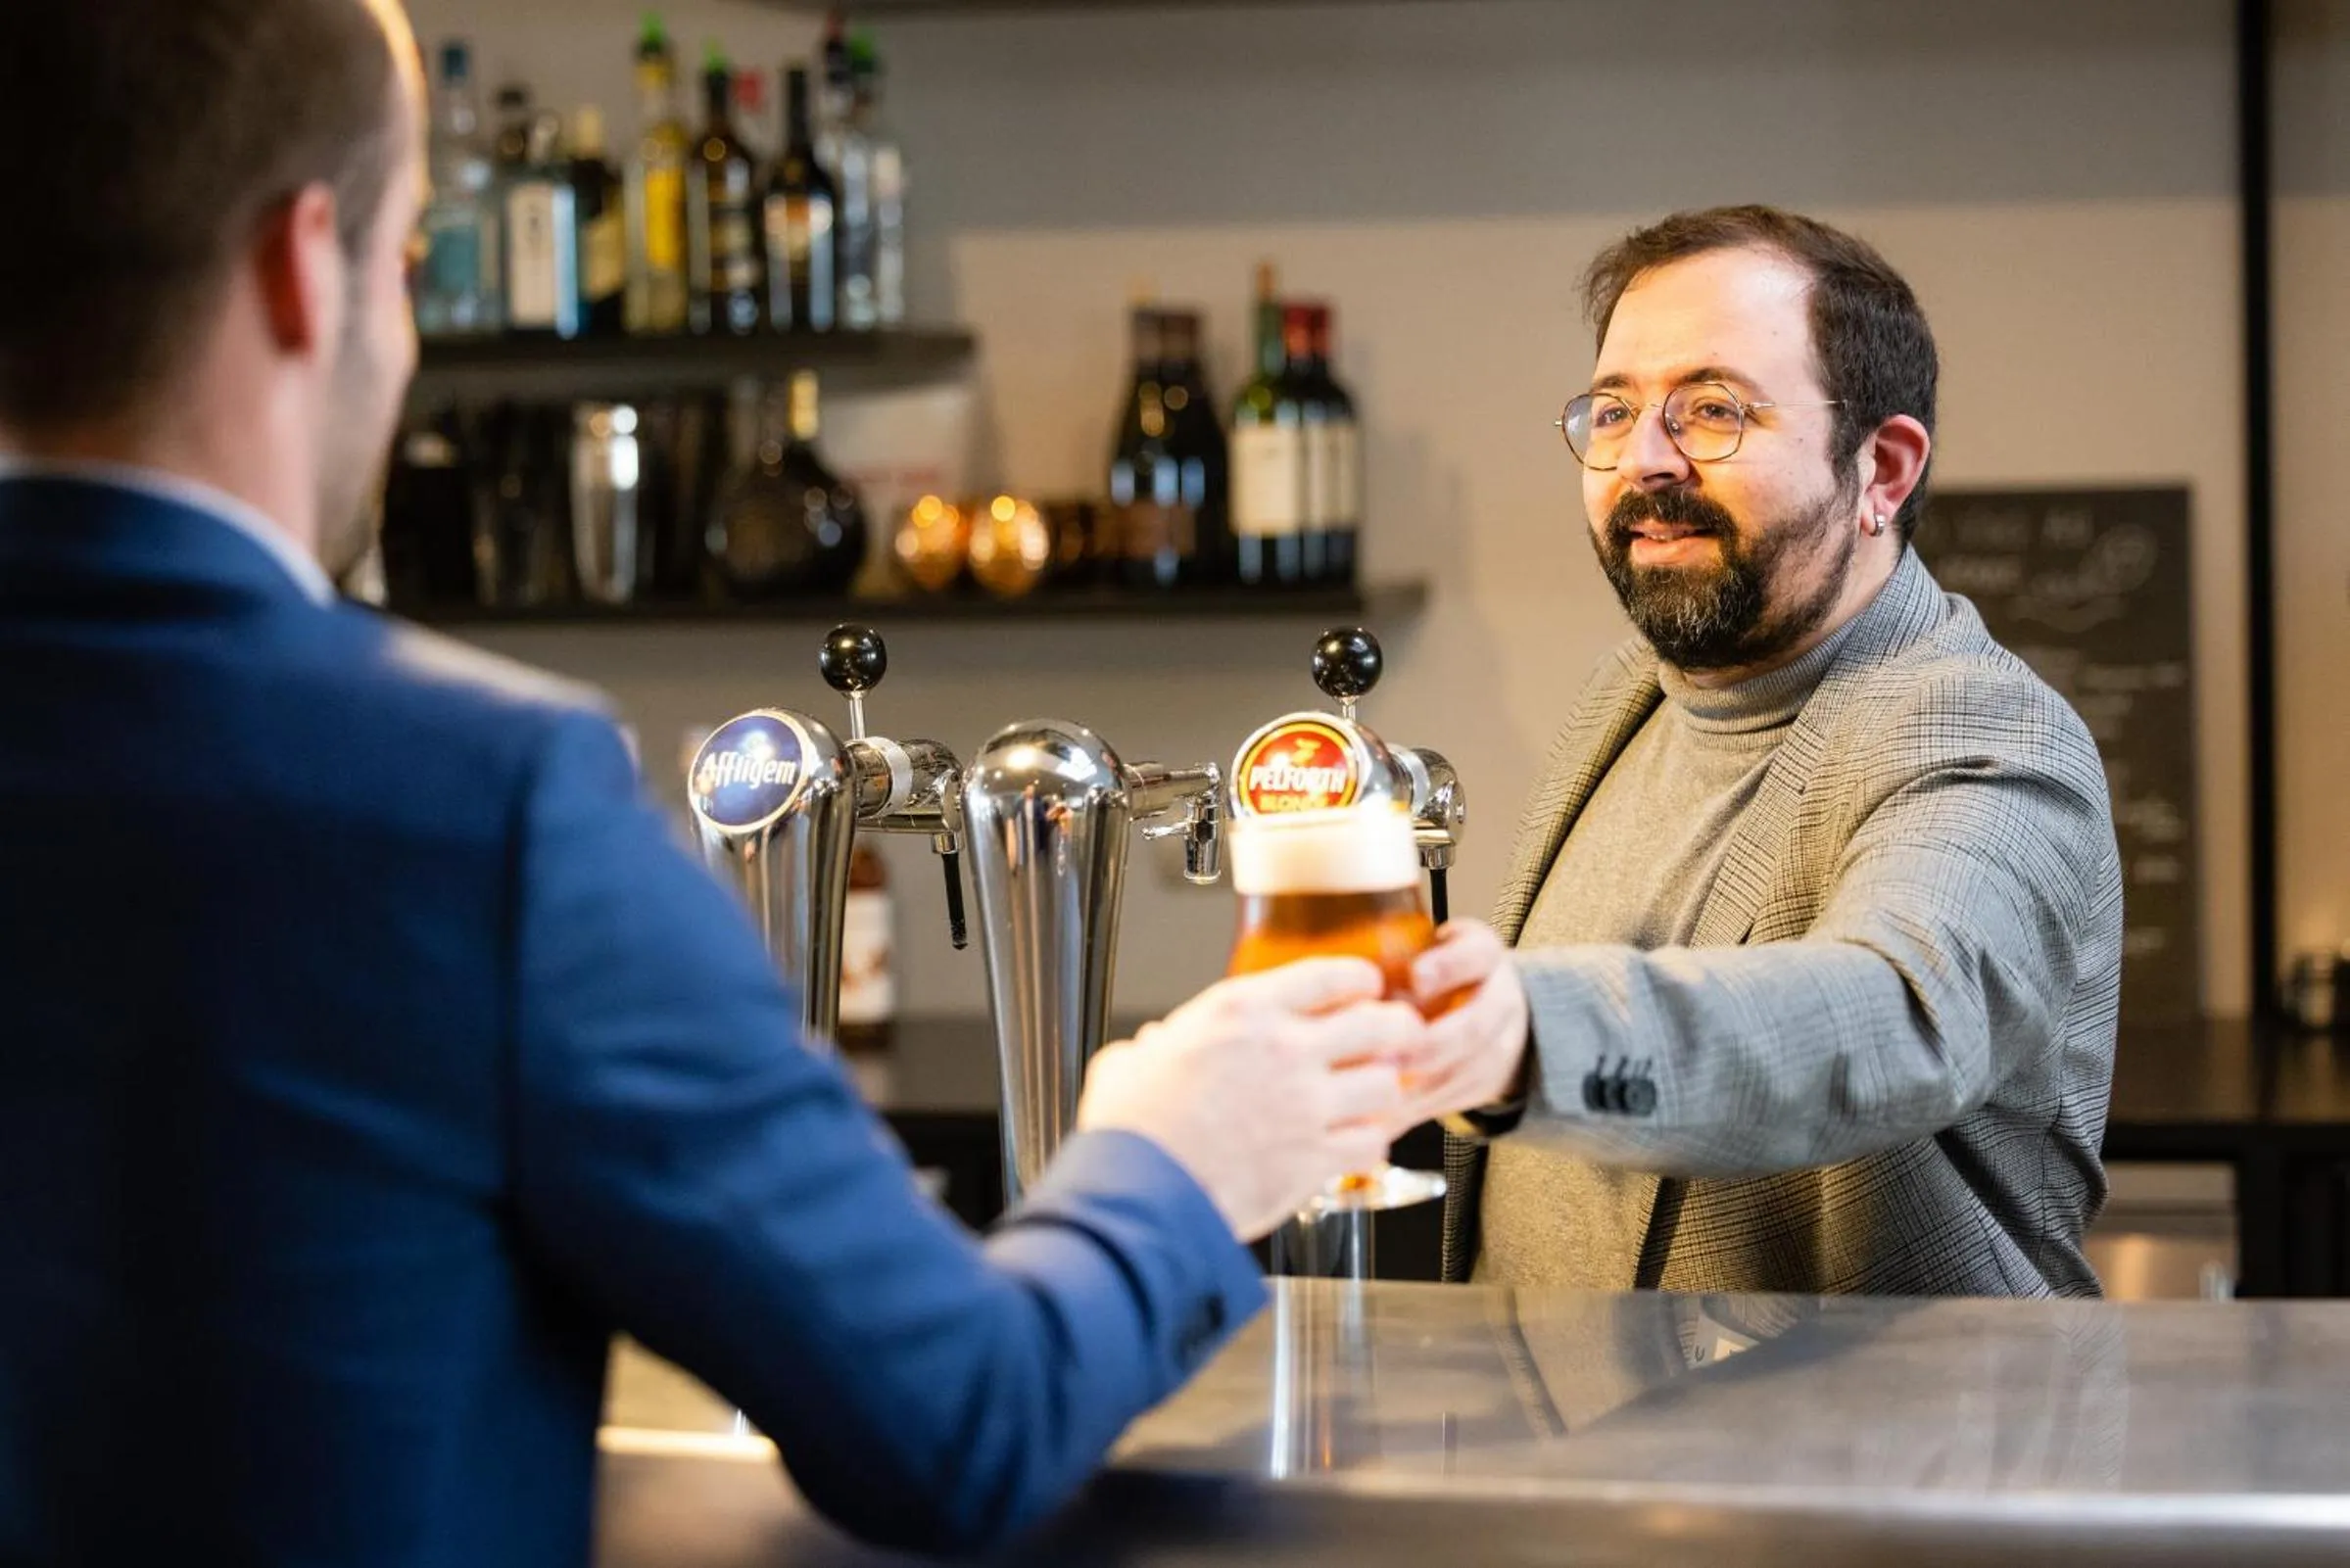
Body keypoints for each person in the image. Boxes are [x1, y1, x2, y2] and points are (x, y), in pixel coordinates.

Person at [0, 3, 1438, 1563]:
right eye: (406, 259)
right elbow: (956, 1417)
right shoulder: (481, 799)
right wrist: (1172, 1150)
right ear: (303, 268)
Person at [1390, 206, 2124, 1298]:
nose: (1643, 460)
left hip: (1868, 1414)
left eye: (1712, 410)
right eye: (1613, 411)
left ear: (1881, 470)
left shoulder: (1976, 729)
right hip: (1560, 1408)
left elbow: (1898, 1014)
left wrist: (1513, 1037)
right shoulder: (1630, 694)